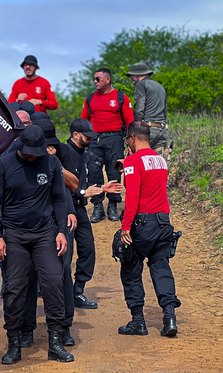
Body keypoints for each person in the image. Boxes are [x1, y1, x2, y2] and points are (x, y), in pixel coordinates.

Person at [0, 125, 74, 365]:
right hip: (14, 235)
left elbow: (59, 198)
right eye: (29, 152)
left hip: (45, 234)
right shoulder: (3, 165)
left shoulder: (52, 164)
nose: (34, 156)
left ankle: (55, 342)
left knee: (54, 283)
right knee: (15, 289)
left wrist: (61, 232)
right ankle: (14, 342)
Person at [116, 121, 180, 338]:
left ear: (133, 138)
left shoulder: (133, 161)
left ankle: (138, 321)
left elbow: (132, 196)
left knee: (130, 267)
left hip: (143, 223)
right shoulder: (160, 160)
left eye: (128, 140)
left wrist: (126, 226)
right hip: (163, 221)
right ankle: (169, 317)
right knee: (161, 266)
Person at [58, 118, 102, 309]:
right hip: (66, 209)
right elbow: (62, 185)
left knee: (88, 249)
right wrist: (82, 192)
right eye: (87, 136)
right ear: (75, 134)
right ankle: (62, 294)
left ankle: (78, 291)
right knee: (65, 255)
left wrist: (101, 190)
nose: (90, 140)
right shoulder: (64, 152)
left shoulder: (84, 152)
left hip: (80, 208)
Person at [82, 67, 134, 223]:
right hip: (95, 141)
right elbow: (84, 121)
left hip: (114, 139)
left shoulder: (120, 97)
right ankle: (98, 207)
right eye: (94, 79)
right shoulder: (90, 99)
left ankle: (113, 205)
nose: (95, 82)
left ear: (107, 80)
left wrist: (131, 143)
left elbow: (130, 121)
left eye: (98, 79)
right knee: (93, 172)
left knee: (114, 172)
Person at [126, 62, 170, 160]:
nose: (131, 80)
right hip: (162, 130)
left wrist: (135, 129)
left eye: (132, 76)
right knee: (158, 164)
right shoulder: (160, 87)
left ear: (138, 76)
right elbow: (165, 110)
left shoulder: (141, 85)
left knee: (140, 163)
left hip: (147, 131)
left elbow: (139, 108)